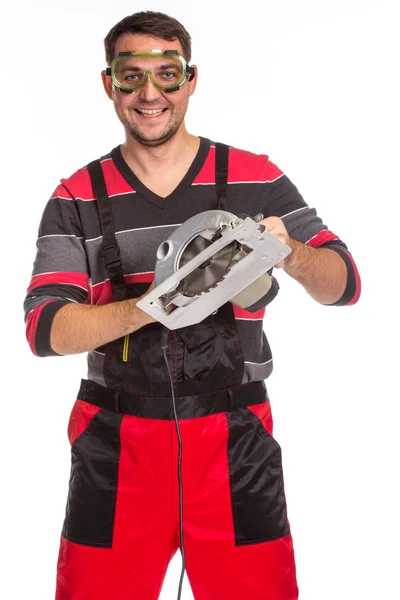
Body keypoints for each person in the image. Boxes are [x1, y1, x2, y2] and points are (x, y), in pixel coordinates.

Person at [23, 10, 361, 600]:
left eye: (167, 73)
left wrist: (288, 254)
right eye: (131, 76)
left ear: (190, 79)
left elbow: (346, 284)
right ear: (109, 84)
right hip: (117, 446)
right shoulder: (77, 195)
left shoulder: (256, 177)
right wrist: (160, 303)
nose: (150, 93)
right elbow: (44, 329)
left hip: (235, 445)